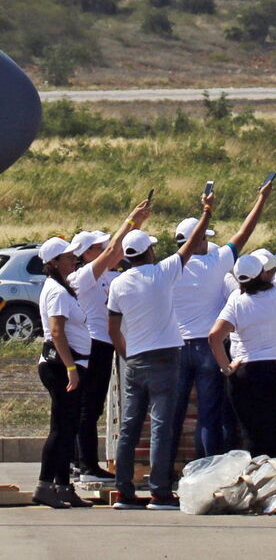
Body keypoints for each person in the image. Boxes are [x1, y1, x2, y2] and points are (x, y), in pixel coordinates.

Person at [107, 193, 213, 510]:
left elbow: (113, 327)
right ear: (150, 251)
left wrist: (127, 355)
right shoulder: (162, 272)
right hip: (165, 357)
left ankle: (124, 491)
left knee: (129, 427)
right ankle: (159, 491)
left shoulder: (118, 284)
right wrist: (206, 211)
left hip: (135, 359)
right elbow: (192, 242)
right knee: (161, 427)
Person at [170, 183, 271, 465]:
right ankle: (206, 469)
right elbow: (244, 233)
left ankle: (163, 476)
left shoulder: (169, 266)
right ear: (198, 238)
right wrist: (261, 199)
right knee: (208, 415)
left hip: (177, 347)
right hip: (208, 347)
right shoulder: (215, 262)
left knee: (171, 416)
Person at [209, 201, 276, 460]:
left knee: (254, 437)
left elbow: (215, 337)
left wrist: (227, 368)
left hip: (247, 374)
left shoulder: (236, 301)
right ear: (263, 275)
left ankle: (260, 490)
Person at [67, 204, 149, 483]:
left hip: (103, 344)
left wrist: (134, 228)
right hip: (93, 345)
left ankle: (80, 462)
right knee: (88, 407)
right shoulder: (81, 277)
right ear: (85, 255)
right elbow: (114, 250)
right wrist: (130, 221)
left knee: (92, 407)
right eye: (96, 247)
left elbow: (119, 253)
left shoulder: (105, 277)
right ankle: (86, 465)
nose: (104, 250)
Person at [32, 237, 94, 508]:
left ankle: (63, 485)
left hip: (72, 364)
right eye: (68, 257)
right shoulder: (56, 292)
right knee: (60, 427)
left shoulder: (62, 287)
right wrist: (71, 368)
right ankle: (45, 485)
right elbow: (57, 332)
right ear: (54, 262)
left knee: (69, 427)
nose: (74, 259)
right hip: (60, 367)